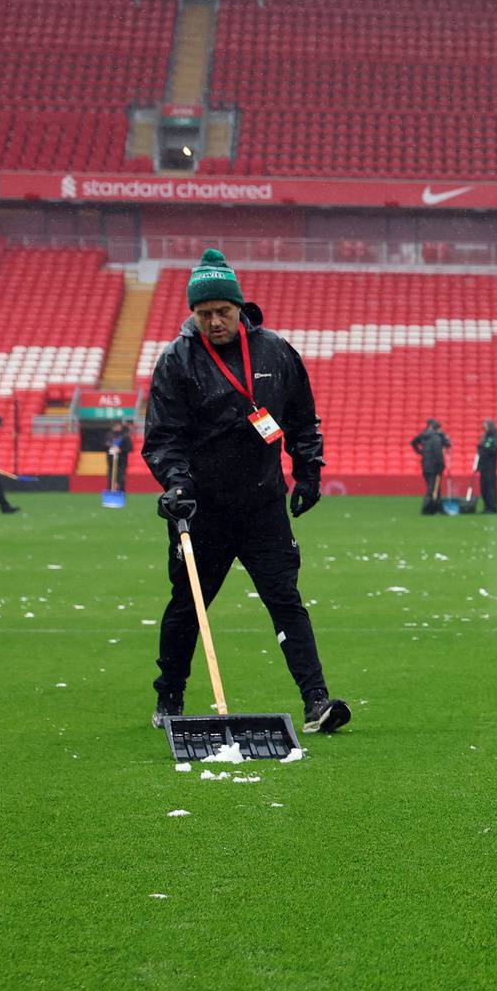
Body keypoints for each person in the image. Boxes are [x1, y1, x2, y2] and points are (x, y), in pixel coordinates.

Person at [142, 248, 349, 735]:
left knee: (285, 599)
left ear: (241, 308)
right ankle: (169, 695)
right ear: (192, 313)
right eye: (204, 313)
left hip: (262, 504)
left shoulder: (276, 352)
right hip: (201, 508)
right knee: (188, 604)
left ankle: (316, 701)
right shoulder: (177, 359)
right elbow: (163, 435)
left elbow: (301, 419)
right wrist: (175, 483)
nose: (214, 321)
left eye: (223, 312)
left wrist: (309, 471)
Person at [411, 418, 451, 515]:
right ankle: (426, 509)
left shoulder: (424, 435)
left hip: (425, 464)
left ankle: (438, 508)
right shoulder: (436, 438)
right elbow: (439, 453)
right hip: (434, 466)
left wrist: (420, 452)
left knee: (435, 487)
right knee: (432, 488)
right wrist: (441, 466)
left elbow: (413, 442)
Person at [475, 419, 497, 513]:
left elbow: (495, 448)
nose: (484, 428)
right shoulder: (485, 436)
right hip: (483, 465)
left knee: (491, 487)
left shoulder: (496, 435)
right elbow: (480, 449)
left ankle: (492, 507)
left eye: (486, 426)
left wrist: (485, 447)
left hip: (490, 465)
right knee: (484, 487)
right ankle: (486, 506)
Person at [105, 420, 131, 493]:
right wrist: (111, 447)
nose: (117, 427)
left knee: (121, 478)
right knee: (111, 477)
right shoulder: (109, 435)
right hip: (111, 461)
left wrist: (121, 450)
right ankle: (110, 492)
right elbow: (105, 445)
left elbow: (130, 448)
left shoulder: (125, 436)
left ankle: (121, 492)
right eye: (115, 426)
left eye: (118, 425)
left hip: (122, 461)